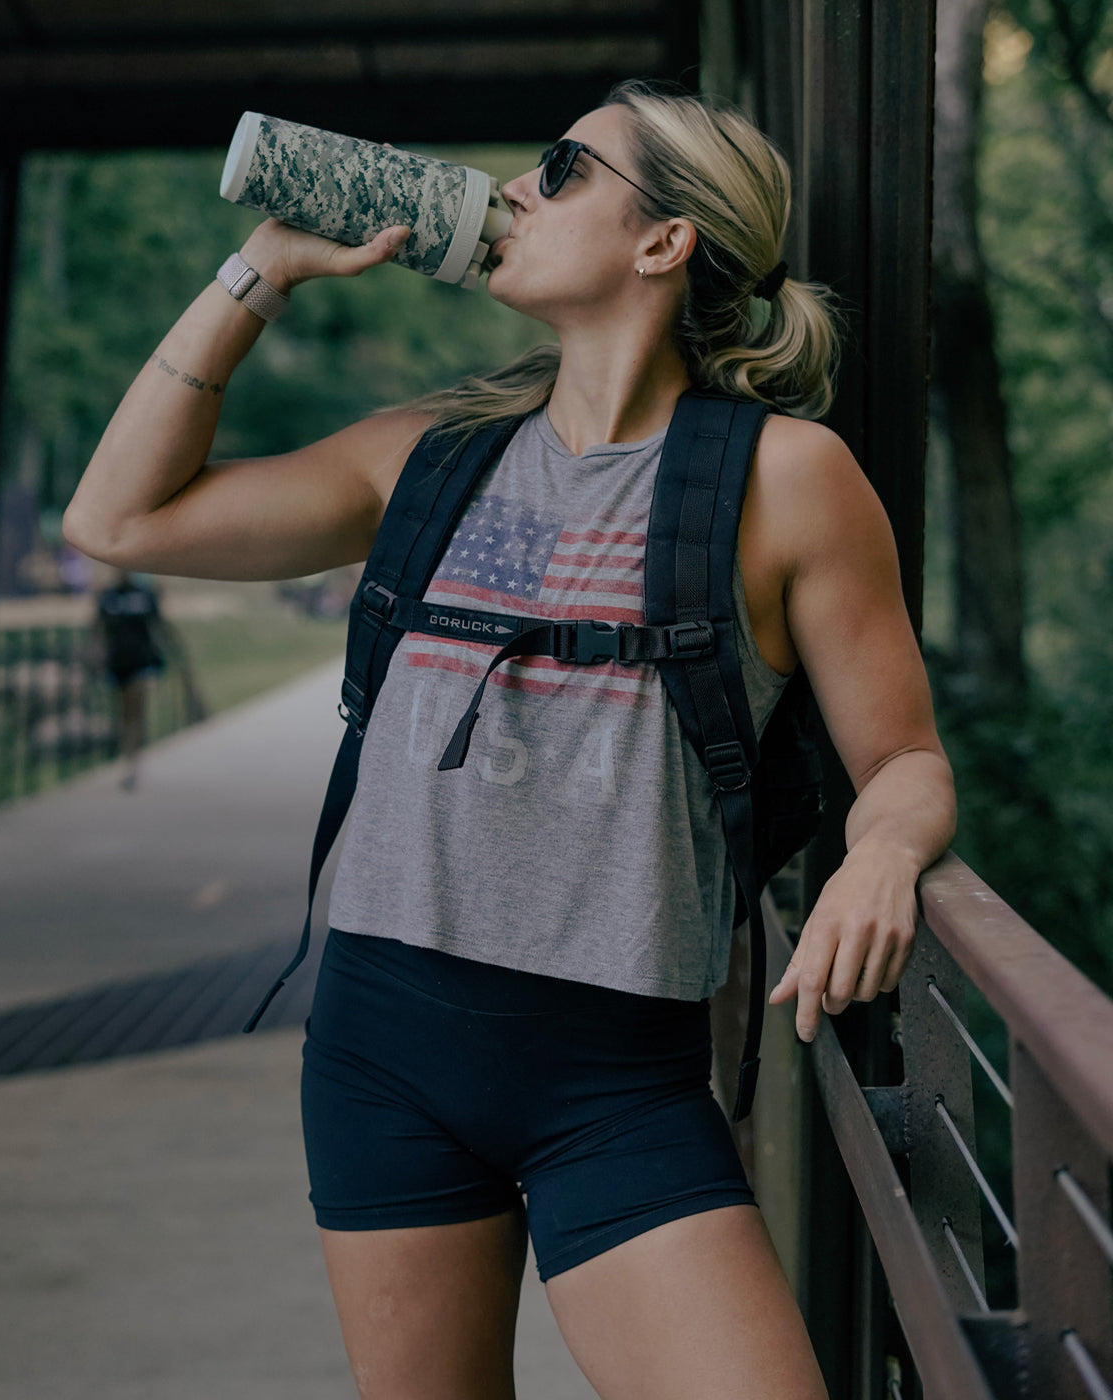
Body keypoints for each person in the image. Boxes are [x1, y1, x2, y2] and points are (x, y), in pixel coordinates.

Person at [64, 79, 955, 1400]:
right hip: (380, 1050)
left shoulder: (783, 480)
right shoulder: (432, 453)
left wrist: (881, 858)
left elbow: (905, 763)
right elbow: (120, 522)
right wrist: (259, 273)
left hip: (616, 1077)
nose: (518, 191)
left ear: (664, 241)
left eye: (563, 167)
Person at [95, 570, 167, 789]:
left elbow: (158, 627)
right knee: (122, 714)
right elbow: (98, 629)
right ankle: (125, 757)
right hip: (116, 662)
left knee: (135, 710)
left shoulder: (145, 595)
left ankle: (133, 763)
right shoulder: (107, 597)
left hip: (140, 662)